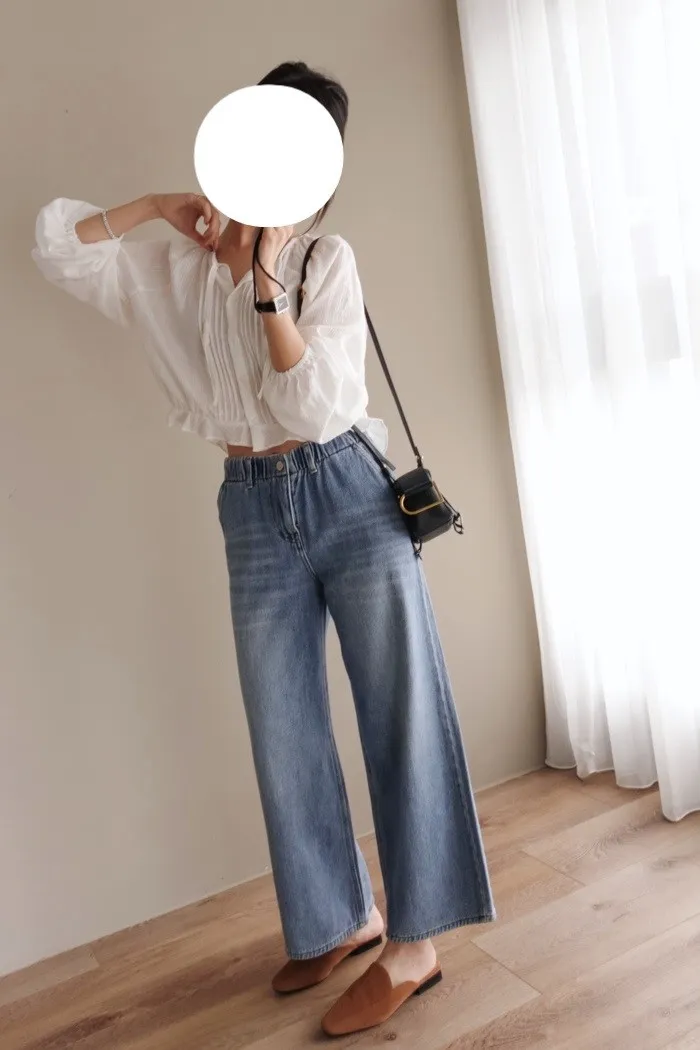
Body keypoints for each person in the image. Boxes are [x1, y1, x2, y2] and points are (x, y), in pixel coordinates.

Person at [31, 60, 494, 1037]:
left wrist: (266, 283)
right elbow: (58, 247)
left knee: (399, 710)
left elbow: (315, 406)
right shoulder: (173, 268)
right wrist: (156, 207)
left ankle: (417, 944)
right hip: (248, 505)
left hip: (348, 491)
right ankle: (338, 918)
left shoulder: (325, 261)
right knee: (283, 727)